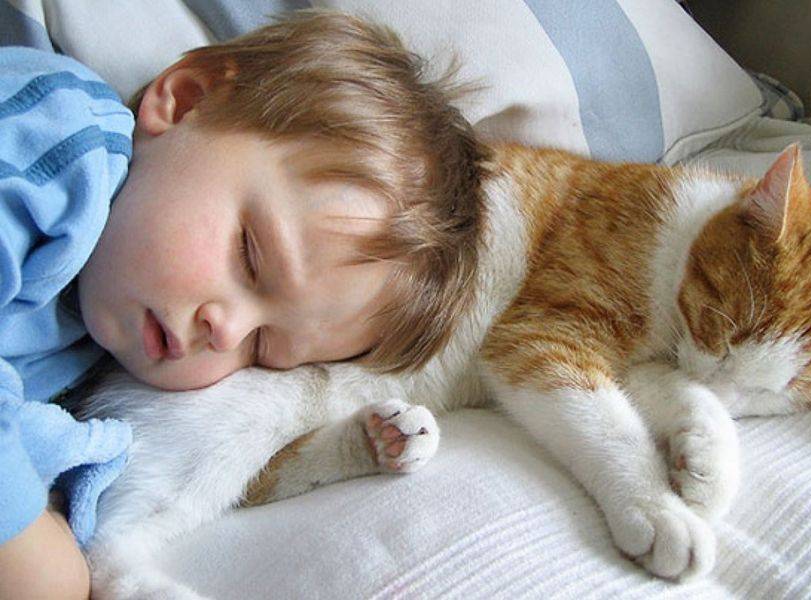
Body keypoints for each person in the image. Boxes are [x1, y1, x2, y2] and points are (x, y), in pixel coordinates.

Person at [0, 10, 488, 599]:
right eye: (250, 257)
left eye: (262, 348)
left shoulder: (91, 336)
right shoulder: (58, 139)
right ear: (187, 101)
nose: (226, 331)